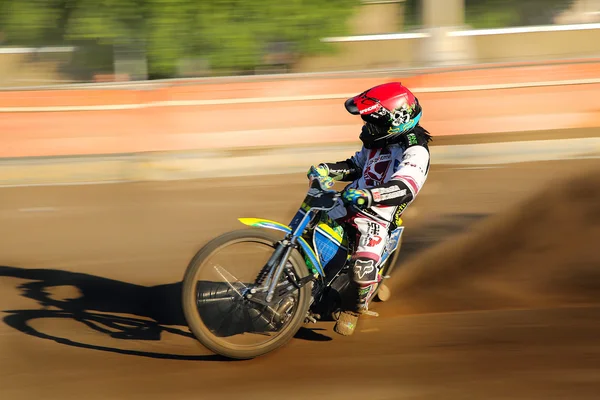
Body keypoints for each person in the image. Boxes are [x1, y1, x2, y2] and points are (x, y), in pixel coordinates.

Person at [307, 82, 432, 336]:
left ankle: (354, 308)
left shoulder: (416, 150)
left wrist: (369, 196)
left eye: (373, 122)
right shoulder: (374, 141)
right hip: (349, 201)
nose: (367, 127)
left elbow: (405, 188)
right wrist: (327, 169)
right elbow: (356, 165)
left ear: (397, 121)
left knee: (362, 269)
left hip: (378, 218)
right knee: (308, 228)